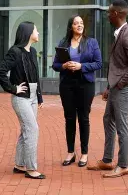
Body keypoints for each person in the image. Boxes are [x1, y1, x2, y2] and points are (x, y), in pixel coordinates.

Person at [87, 0, 128, 178]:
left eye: (109, 12)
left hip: (123, 88)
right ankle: (107, 160)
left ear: (116, 14)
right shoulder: (119, 33)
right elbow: (119, 65)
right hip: (116, 87)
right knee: (108, 120)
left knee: (121, 126)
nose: (108, 15)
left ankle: (123, 165)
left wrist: (118, 85)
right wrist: (110, 87)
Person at [0, 21, 45, 180]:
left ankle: (19, 164)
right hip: (21, 98)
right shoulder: (15, 52)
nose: (38, 33)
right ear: (29, 33)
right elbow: (0, 71)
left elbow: (35, 76)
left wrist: (39, 97)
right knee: (32, 129)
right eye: (36, 30)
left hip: (32, 96)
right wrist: (13, 88)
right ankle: (31, 169)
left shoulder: (33, 51)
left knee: (26, 130)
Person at [52, 15, 102, 167]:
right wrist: (64, 66)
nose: (79, 25)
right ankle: (70, 152)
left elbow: (99, 63)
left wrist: (82, 66)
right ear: (71, 26)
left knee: (84, 118)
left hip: (85, 84)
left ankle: (84, 154)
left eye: (81, 23)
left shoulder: (91, 42)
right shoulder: (63, 42)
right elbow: (55, 65)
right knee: (69, 118)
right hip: (67, 84)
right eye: (76, 23)